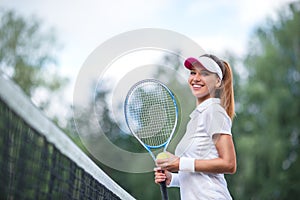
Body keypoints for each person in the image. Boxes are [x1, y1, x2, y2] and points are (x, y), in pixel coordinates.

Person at [154, 54, 237, 199]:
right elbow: (200, 177)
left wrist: (180, 163)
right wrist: (172, 179)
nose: (196, 78)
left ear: (218, 81)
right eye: (193, 72)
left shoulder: (214, 112)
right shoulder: (198, 117)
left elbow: (229, 163)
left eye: (204, 73)